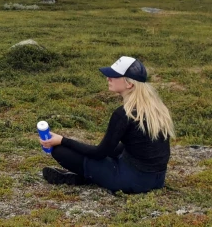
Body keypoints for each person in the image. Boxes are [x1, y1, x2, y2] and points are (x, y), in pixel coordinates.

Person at [39, 56, 175, 194]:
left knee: (60, 151)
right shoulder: (157, 108)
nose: (108, 78)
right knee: (118, 148)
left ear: (129, 84)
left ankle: (87, 177)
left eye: (114, 76)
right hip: (157, 179)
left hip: (133, 181)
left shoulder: (124, 114)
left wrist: (62, 140)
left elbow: (99, 153)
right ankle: (89, 176)